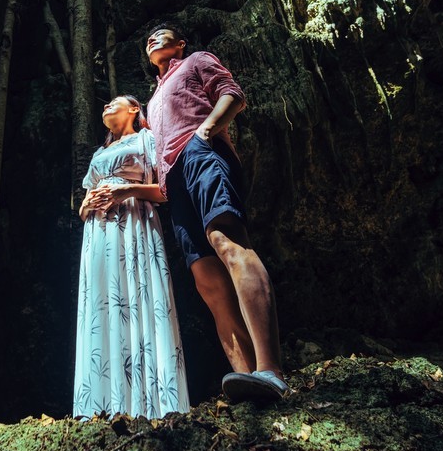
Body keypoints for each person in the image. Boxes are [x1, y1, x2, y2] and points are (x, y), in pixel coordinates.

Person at [144, 22, 287, 403]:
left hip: (202, 153)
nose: (152, 38)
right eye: (148, 38)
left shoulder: (195, 61)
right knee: (205, 279)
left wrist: (205, 132)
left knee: (227, 243)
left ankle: (270, 370)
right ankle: (245, 380)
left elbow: (232, 94)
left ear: (181, 42)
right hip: (173, 179)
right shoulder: (152, 100)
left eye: (163, 33)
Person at [73, 95, 190, 419]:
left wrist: (126, 190)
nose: (106, 106)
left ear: (134, 109)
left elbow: (165, 190)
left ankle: (153, 407)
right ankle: (102, 408)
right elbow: (84, 204)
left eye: (114, 102)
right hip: (99, 234)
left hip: (135, 223)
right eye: (104, 104)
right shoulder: (99, 153)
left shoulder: (146, 139)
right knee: (102, 305)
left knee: (138, 299)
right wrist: (86, 206)